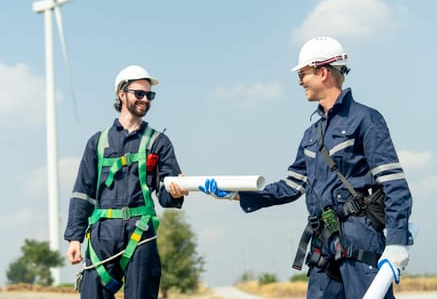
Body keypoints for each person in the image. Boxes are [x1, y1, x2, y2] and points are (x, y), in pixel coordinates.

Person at [200, 37, 413, 298]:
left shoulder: (366, 120)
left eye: (302, 74)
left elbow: (394, 184)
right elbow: (290, 187)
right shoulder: (311, 134)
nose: (300, 81)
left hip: (360, 240)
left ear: (322, 72)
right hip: (322, 245)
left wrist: (396, 241)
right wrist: (237, 194)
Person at [64, 64, 188, 299]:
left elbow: (165, 194)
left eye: (149, 95)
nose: (145, 99)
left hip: (141, 233)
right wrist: (74, 238)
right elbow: (83, 192)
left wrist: (175, 192)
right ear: (122, 94)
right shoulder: (97, 142)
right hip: (102, 234)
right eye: (139, 94)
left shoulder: (159, 142)